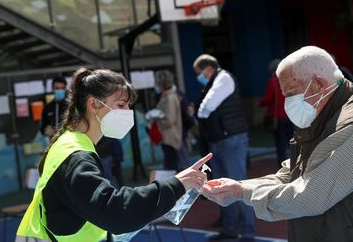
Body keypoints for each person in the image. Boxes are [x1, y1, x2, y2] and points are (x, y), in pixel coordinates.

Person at [203, 46, 353, 242]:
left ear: (318, 84)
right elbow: (292, 173)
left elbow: (309, 196)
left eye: (291, 94)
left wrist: (241, 192)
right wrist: (239, 187)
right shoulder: (328, 115)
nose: (288, 103)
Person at [16, 67, 212, 242]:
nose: (128, 111)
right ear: (93, 105)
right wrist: (176, 184)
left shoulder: (70, 142)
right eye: (121, 104)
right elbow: (116, 212)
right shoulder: (76, 156)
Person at [193, 54, 255, 242]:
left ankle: (247, 231)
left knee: (238, 186)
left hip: (230, 140)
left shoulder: (223, 78)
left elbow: (206, 108)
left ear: (209, 69)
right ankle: (230, 229)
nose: (199, 77)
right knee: (220, 188)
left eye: (199, 73)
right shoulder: (215, 81)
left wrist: (197, 111)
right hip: (220, 139)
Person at [260, 59, 294, 166]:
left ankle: (282, 165)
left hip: (277, 117)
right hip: (290, 115)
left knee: (280, 144)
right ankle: (297, 161)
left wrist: (261, 103)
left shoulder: (273, 81)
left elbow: (268, 99)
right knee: (292, 142)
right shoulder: (289, 80)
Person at [154, 70, 183, 171]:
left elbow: (169, 120)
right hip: (168, 138)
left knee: (172, 168)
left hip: (171, 139)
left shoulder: (169, 98)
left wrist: (157, 121)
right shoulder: (166, 96)